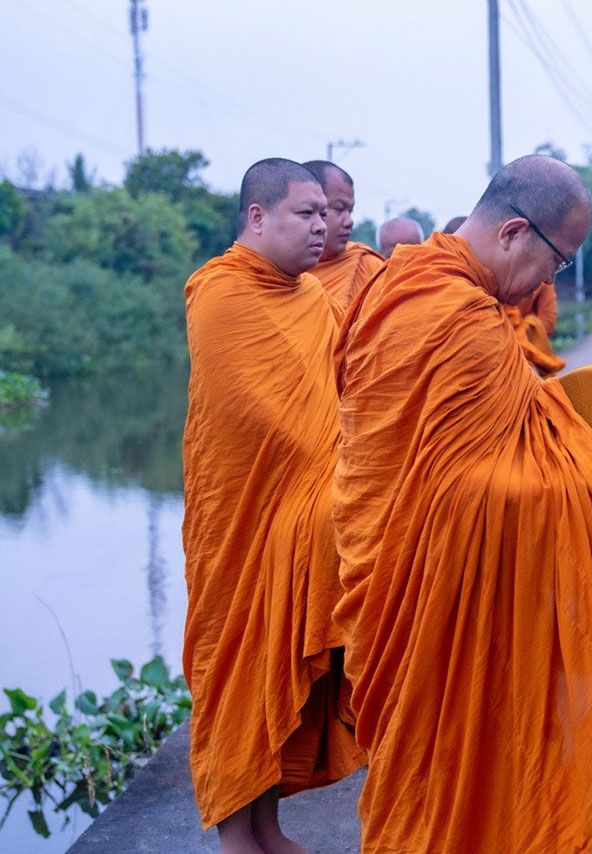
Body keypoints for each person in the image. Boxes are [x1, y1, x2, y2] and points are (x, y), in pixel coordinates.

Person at [331, 154, 592, 853]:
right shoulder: (457, 319)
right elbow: (475, 496)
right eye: (559, 260)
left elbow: (484, 456)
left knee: (443, 786)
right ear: (516, 232)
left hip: (426, 583)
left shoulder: (408, 286)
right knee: (445, 791)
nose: (555, 282)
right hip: (426, 593)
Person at [182, 157, 364, 853]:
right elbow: (260, 418)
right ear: (258, 217)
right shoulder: (220, 293)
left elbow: (339, 395)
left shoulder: (311, 297)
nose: (323, 227)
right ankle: (238, 835)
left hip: (305, 509)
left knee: (281, 672)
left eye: (327, 213)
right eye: (306, 214)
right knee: (237, 667)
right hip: (244, 520)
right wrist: (345, 468)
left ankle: (268, 826)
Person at [302, 160, 383, 309]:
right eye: (339, 209)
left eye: (350, 211)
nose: (349, 221)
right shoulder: (276, 270)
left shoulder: (369, 267)